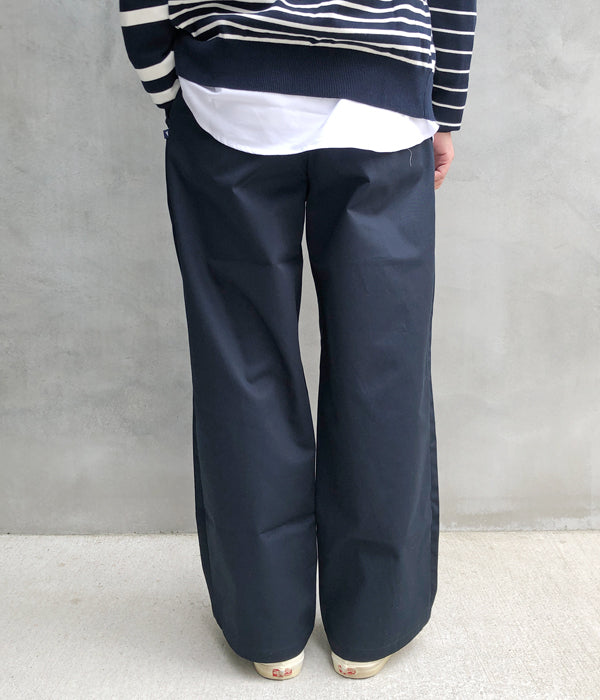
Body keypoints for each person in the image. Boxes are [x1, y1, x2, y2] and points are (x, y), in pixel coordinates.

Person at [119, 0, 476, 681]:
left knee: (242, 365)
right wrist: (443, 107)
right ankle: (371, 626)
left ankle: (268, 627)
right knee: (383, 368)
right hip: (382, 105)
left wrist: (166, 83)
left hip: (230, 100)